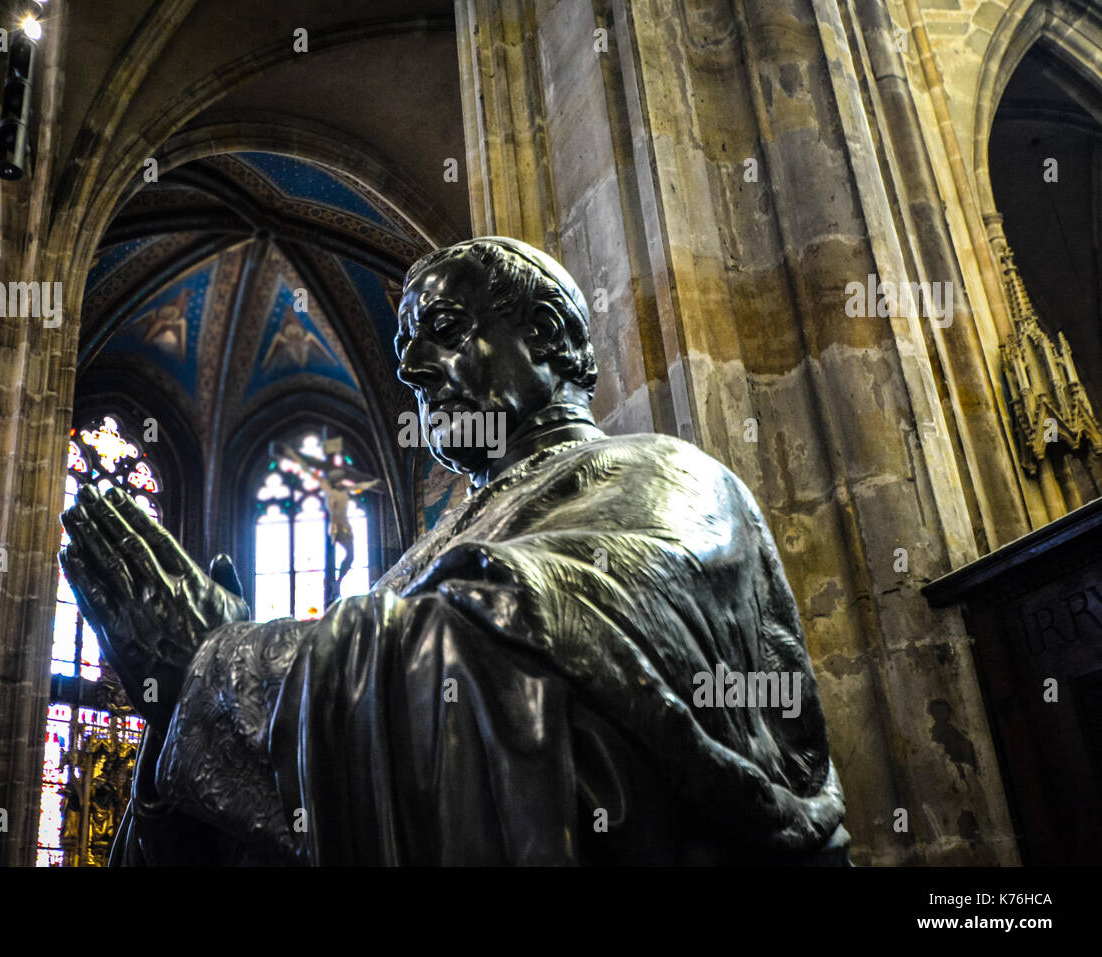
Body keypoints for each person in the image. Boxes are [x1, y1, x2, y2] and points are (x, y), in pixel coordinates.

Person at [60, 237, 850, 865]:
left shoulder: (663, 475)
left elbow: (495, 668)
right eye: (404, 345)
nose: (408, 367)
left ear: (542, 336)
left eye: (440, 330)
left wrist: (214, 662)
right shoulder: (437, 543)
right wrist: (172, 720)